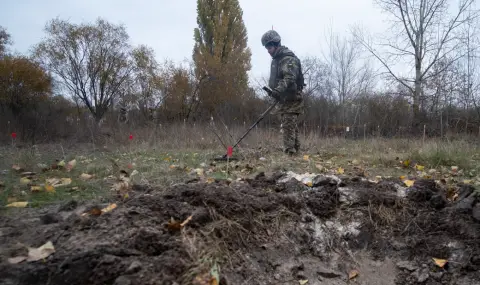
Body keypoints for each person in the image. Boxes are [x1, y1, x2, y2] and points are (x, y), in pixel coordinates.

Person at [261, 29, 305, 155]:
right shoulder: (278, 59)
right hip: (284, 99)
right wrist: (277, 93)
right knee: (290, 126)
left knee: (288, 126)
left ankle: (290, 153)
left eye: (269, 48)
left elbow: (289, 78)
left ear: (275, 44)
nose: (268, 51)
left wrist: (277, 91)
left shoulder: (288, 59)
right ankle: (295, 152)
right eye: (266, 48)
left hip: (292, 99)